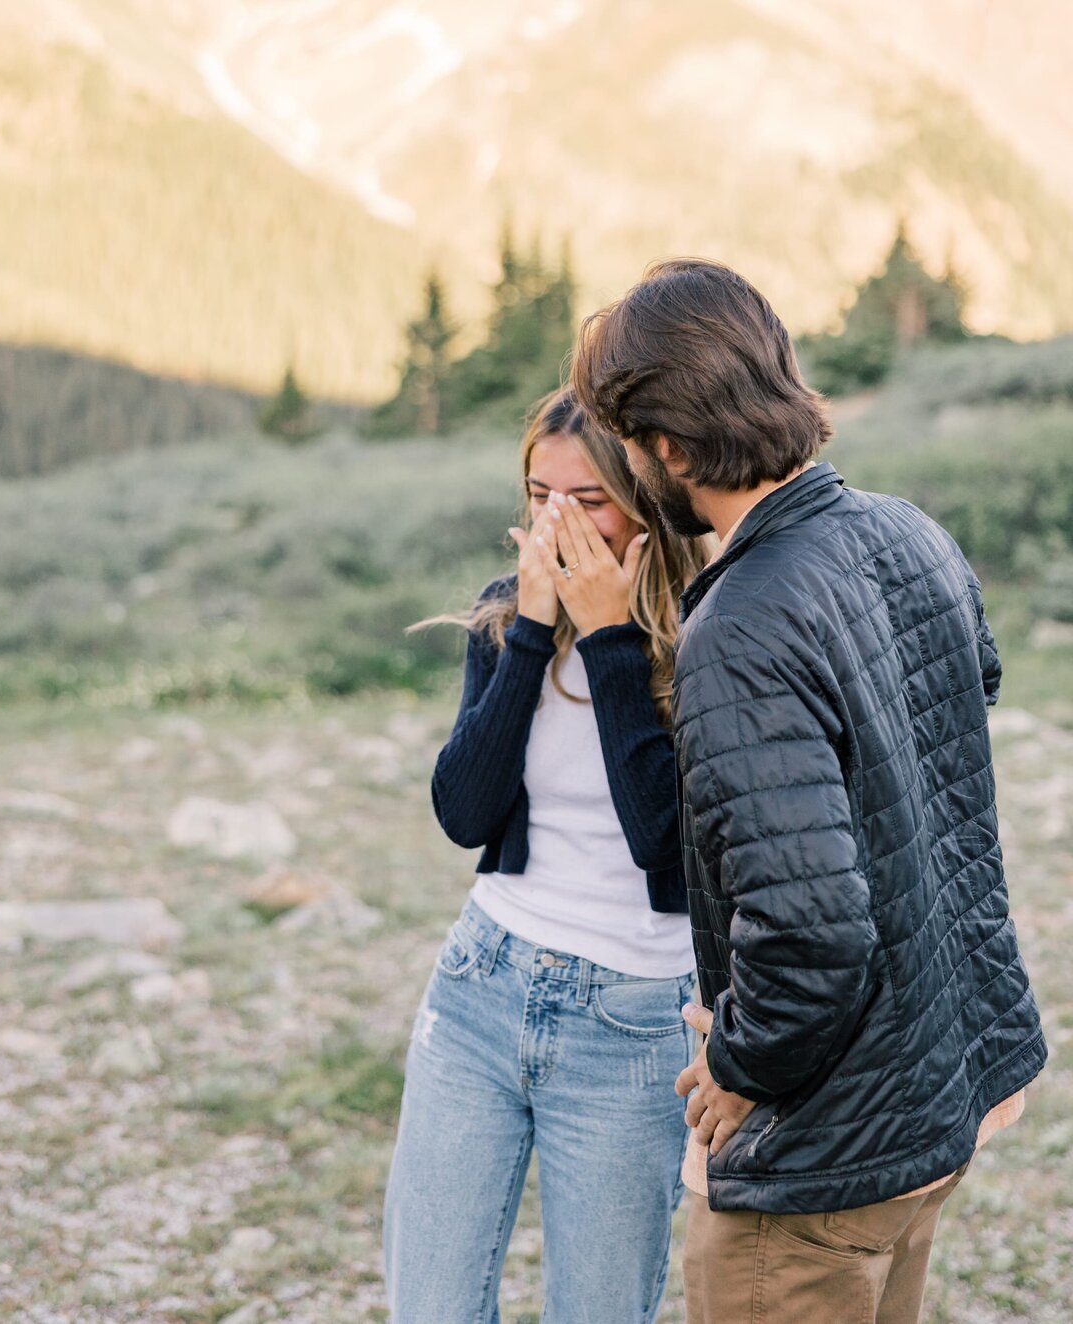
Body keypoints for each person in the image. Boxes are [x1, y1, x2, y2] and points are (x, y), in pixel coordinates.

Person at [571, 258, 1047, 1324]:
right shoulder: (908, 530)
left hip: (825, 1156)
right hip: (939, 1095)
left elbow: (811, 930)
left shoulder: (736, 625)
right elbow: (963, 705)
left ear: (668, 448)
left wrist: (739, 1064)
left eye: (624, 439)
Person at [383, 387, 707, 1323]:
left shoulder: (705, 627)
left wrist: (608, 635)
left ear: (647, 498)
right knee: (432, 1307)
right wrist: (531, 630)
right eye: (538, 494)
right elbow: (463, 812)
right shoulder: (505, 616)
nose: (558, 520)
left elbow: (670, 849)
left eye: (590, 498)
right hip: (481, 989)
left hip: (635, 1024)